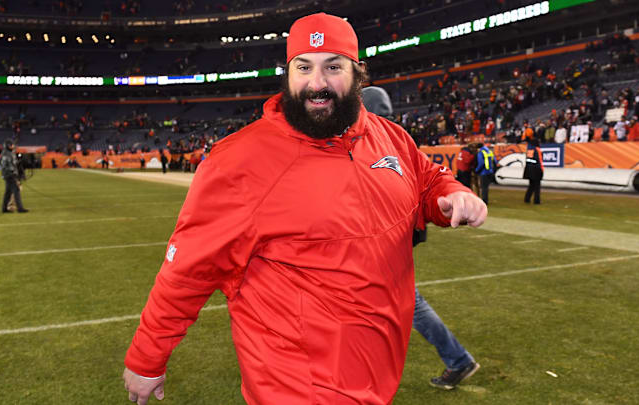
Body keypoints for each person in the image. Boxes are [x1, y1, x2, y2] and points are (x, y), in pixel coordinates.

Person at [122, 13, 487, 405]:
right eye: (304, 67)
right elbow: (187, 271)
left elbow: (427, 178)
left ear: (358, 73)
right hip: (297, 385)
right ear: (288, 73)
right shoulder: (239, 161)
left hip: (375, 374)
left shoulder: (389, 136)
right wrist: (147, 360)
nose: (317, 84)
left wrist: (450, 195)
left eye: (333, 67)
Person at [362, 86, 480, 390]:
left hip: (385, 244)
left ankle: (457, 359)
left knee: (401, 305)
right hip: (397, 239)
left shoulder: (379, 143)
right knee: (401, 304)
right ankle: (457, 360)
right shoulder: (399, 139)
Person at [0, 139, 28, 213]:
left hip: (9, 174)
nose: (13, 146)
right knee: (16, 191)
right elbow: (6, 166)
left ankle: (4, 208)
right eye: (12, 145)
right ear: (8, 145)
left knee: (8, 193)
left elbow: (12, 163)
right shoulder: (6, 154)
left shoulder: (8, 153)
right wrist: (13, 173)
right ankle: (20, 208)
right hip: (10, 175)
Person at [523, 137, 544, 204]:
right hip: (536, 169)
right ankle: (536, 200)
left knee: (531, 185)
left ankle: (527, 198)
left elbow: (528, 160)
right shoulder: (537, 150)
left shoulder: (529, 150)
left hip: (529, 169)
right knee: (537, 186)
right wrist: (541, 170)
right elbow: (539, 161)